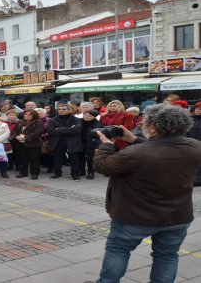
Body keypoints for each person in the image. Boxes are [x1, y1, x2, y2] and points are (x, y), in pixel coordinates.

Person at [92, 104, 201, 283]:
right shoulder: (195, 146)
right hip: (177, 216)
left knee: (118, 250)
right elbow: (161, 149)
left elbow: (102, 165)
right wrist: (134, 139)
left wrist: (106, 145)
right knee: (167, 255)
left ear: (152, 127)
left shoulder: (136, 153)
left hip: (135, 216)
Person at [48, 104, 83, 180]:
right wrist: (69, 129)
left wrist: (59, 129)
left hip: (72, 141)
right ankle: (57, 173)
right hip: (58, 141)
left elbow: (76, 130)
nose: (61, 110)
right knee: (57, 158)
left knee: (74, 159)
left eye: (63, 109)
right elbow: (51, 131)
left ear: (69, 110)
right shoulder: (53, 120)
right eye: (59, 109)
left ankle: (75, 174)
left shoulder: (76, 119)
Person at [13, 110, 44, 180]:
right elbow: (14, 131)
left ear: (34, 115)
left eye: (29, 114)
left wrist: (25, 137)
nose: (27, 115)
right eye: (26, 114)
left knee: (34, 159)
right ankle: (23, 172)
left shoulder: (38, 122)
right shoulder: (20, 122)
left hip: (33, 144)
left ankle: (35, 173)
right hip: (21, 143)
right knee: (22, 159)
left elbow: (38, 133)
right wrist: (16, 136)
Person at [80, 110, 102, 180]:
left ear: (94, 117)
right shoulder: (80, 121)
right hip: (80, 142)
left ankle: (90, 172)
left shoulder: (97, 124)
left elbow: (99, 137)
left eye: (89, 116)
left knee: (90, 158)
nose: (86, 117)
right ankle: (81, 171)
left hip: (91, 143)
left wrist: (97, 146)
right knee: (81, 157)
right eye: (85, 115)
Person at [188, 101, 201, 187]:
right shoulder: (191, 119)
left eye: (200, 109)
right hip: (192, 144)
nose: (197, 110)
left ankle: (198, 179)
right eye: (196, 108)